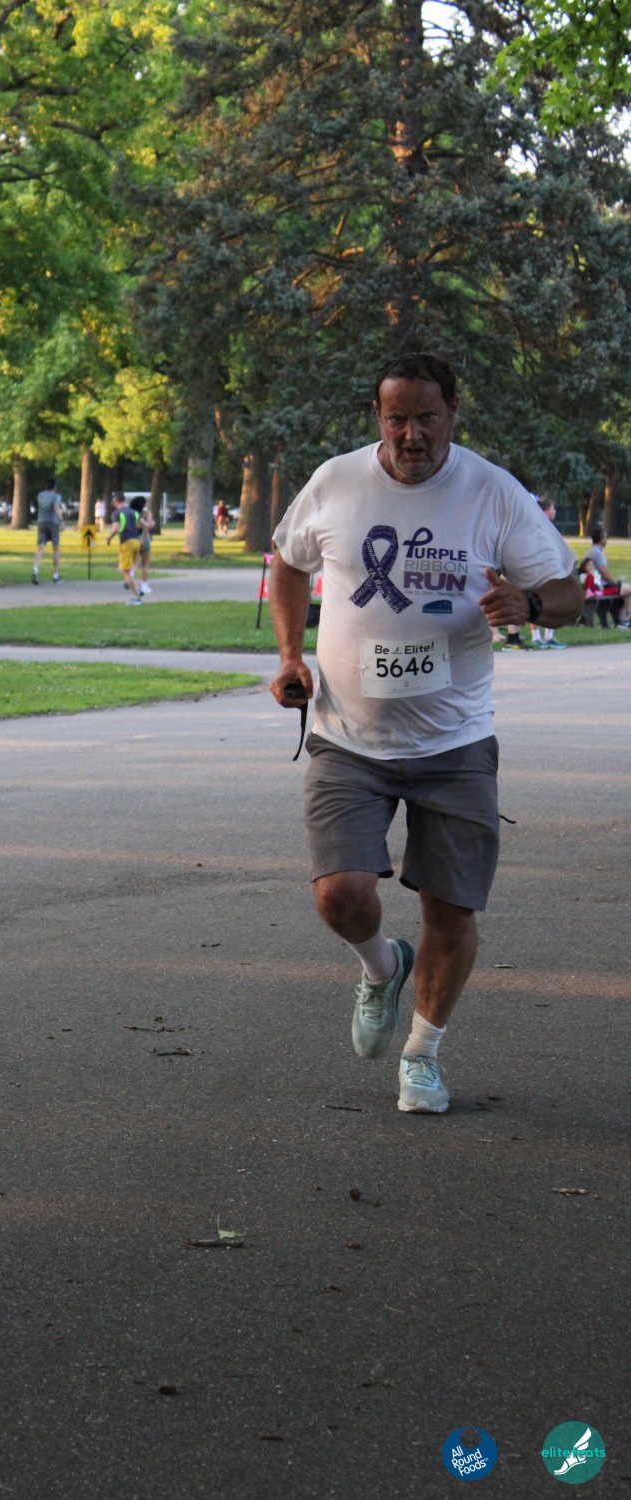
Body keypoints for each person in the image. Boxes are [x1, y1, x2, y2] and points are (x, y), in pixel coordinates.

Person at [270, 351, 583, 1114]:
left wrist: (529, 606)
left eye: (427, 418)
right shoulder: (337, 482)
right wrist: (289, 657)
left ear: (453, 415)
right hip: (347, 736)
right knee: (340, 895)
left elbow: (568, 591)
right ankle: (382, 966)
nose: (412, 435)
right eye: (397, 419)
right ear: (379, 418)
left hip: (455, 743)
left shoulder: (492, 492)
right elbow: (289, 563)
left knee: (451, 909)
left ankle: (422, 1055)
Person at [528, 498, 568, 647]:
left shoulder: (550, 528)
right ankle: (536, 637)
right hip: (538, 568)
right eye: (552, 508)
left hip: (551, 568)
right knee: (536, 600)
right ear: (545, 511)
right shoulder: (535, 526)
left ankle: (549, 636)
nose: (554, 511)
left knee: (552, 601)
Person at [584, 524, 631, 627]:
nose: (607, 539)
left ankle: (624, 619)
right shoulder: (597, 553)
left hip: (597, 585)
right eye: (606, 537)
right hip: (601, 587)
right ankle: (624, 620)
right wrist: (616, 583)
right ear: (602, 539)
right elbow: (605, 575)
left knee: (627, 592)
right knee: (629, 589)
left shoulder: (591, 551)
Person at [105, 491, 143, 603]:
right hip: (136, 541)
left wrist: (108, 538)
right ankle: (134, 586)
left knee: (125, 571)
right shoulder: (134, 512)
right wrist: (143, 539)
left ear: (115, 501)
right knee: (121, 568)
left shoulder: (116, 513)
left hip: (126, 542)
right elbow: (143, 525)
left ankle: (136, 597)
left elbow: (115, 529)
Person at [32, 478, 64, 584]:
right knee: (56, 548)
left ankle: (35, 569)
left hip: (41, 522)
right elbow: (56, 508)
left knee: (40, 547)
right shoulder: (56, 496)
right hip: (52, 523)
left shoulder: (40, 495)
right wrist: (61, 521)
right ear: (55, 486)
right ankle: (55, 575)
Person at [131, 495, 154, 594]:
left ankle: (131, 575)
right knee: (145, 564)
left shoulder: (131, 512)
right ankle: (144, 585)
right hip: (143, 536)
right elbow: (148, 525)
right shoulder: (146, 513)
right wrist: (152, 521)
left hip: (132, 537)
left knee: (135, 560)